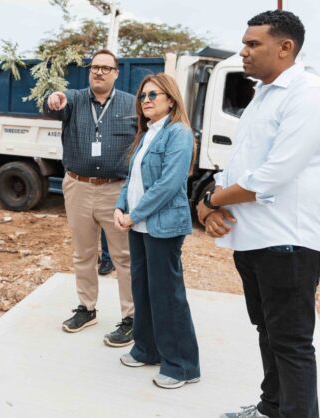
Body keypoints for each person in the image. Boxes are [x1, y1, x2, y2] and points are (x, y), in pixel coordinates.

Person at [194, 11, 320, 418]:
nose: (243, 51)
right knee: (269, 332)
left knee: (291, 342)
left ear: (285, 47)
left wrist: (212, 202)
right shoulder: (263, 93)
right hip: (255, 238)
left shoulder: (309, 93)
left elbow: (273, 176)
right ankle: (270, 408)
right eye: (244, 43)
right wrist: (211, 205)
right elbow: (238, 166)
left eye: (252, 44)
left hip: (289, 241)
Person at [45, 49, 136, 346]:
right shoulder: (72, 99)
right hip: (78, 186)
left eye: (106, 68)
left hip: (116, 189)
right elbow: (51, 107)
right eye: (95, 67)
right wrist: (52, 100)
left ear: (116, 73)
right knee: (83, 253)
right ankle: (86, 309)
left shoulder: (130, 104)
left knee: (124, 256)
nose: (99, 72)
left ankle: (131, 318)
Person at [114, 73, 200, 389]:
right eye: (143, 96)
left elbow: (169, 184)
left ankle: (182, 365)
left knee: (167, 296)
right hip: (138, 226)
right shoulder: (147, 133)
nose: (146, 100)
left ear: (171, 99)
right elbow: (131, 179)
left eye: (154, 94)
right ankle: (147, 349)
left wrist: (134, 214)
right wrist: (120, 208)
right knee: (144, 290)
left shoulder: (178, 133)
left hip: (161, 227)